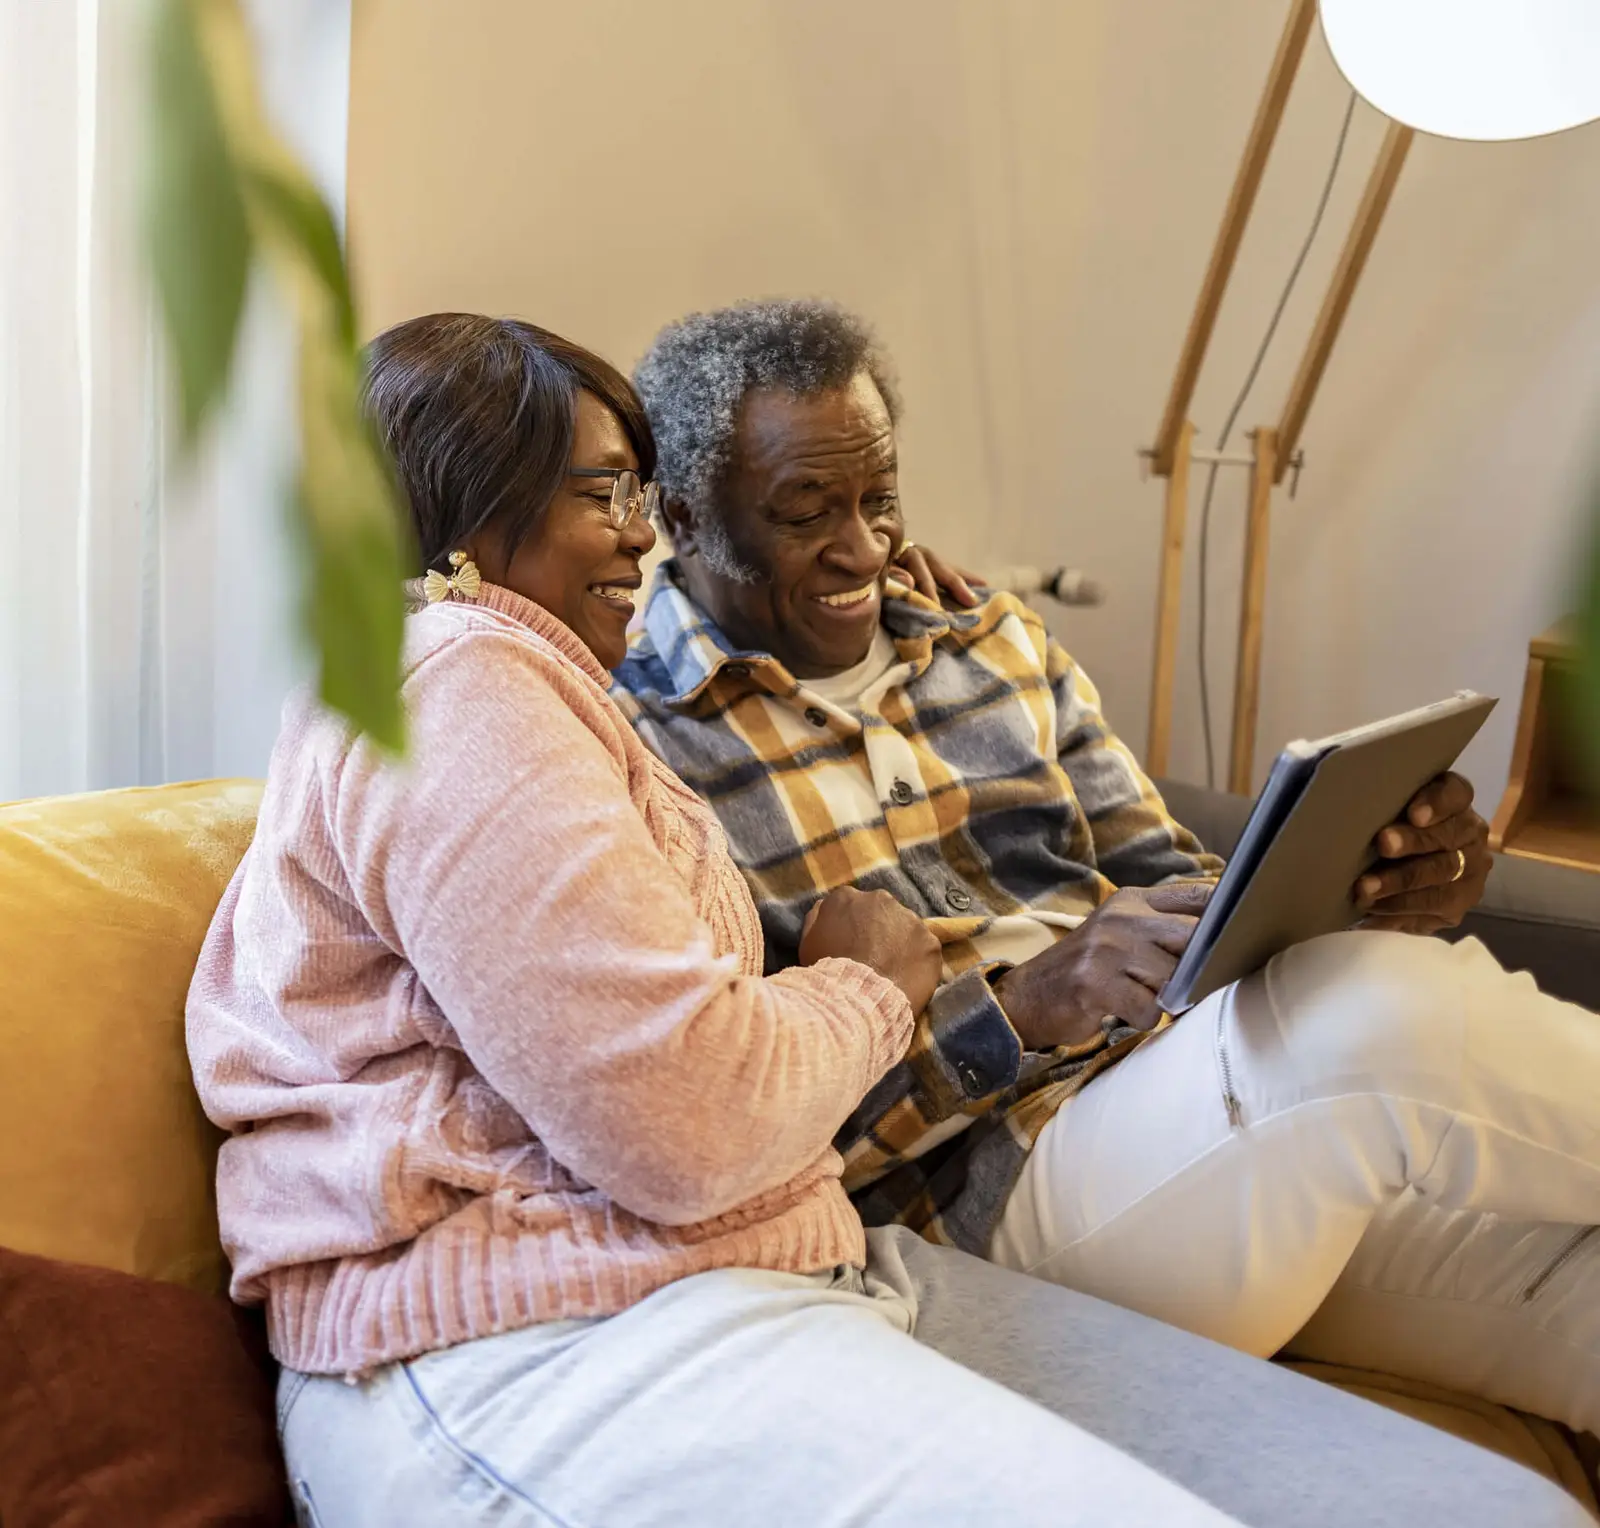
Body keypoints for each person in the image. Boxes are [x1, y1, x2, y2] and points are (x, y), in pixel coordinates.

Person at [183, 312, 1586, 1528]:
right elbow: (689, 1115)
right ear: (461, 510)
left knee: (1484, 1504)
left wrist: (1337, 885)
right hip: (556, 1323)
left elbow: (673, 1075)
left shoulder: (575, 695)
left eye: (635, 490)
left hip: (794, 1262)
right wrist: (878, 989)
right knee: (1368, 1022)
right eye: (609, 493)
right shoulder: (470, 684)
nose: (638, 533)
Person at [616, 296, 1600, 1439]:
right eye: (805, 512)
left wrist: (1365, 892)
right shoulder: (642, 755)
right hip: (988, 1205)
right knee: (1368, 1023)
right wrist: (1020, 1008)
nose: (863, 547)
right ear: (684, 516)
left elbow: (1175, 881)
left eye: (878, 498)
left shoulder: (987, 640)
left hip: (1201, 1139)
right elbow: (735, 1130)